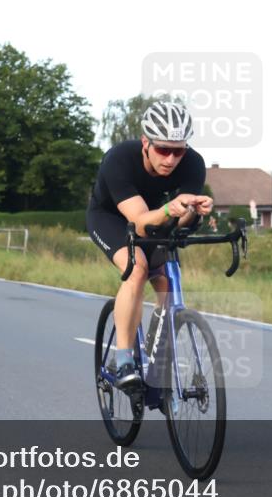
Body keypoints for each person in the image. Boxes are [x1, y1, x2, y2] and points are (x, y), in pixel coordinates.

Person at [86, 101, 213, 389]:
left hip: (156, 216)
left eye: (178, 151)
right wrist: (171, 209)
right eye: (163, 150)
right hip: (112, 218)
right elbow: (140, 222)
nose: (170, 159)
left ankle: (156, 355)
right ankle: (123, 360)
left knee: (167, 282)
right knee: (138, 269)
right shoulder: (118, 159)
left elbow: (176, 222)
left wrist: (193, 211)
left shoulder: (193, 164)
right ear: (146, 142)